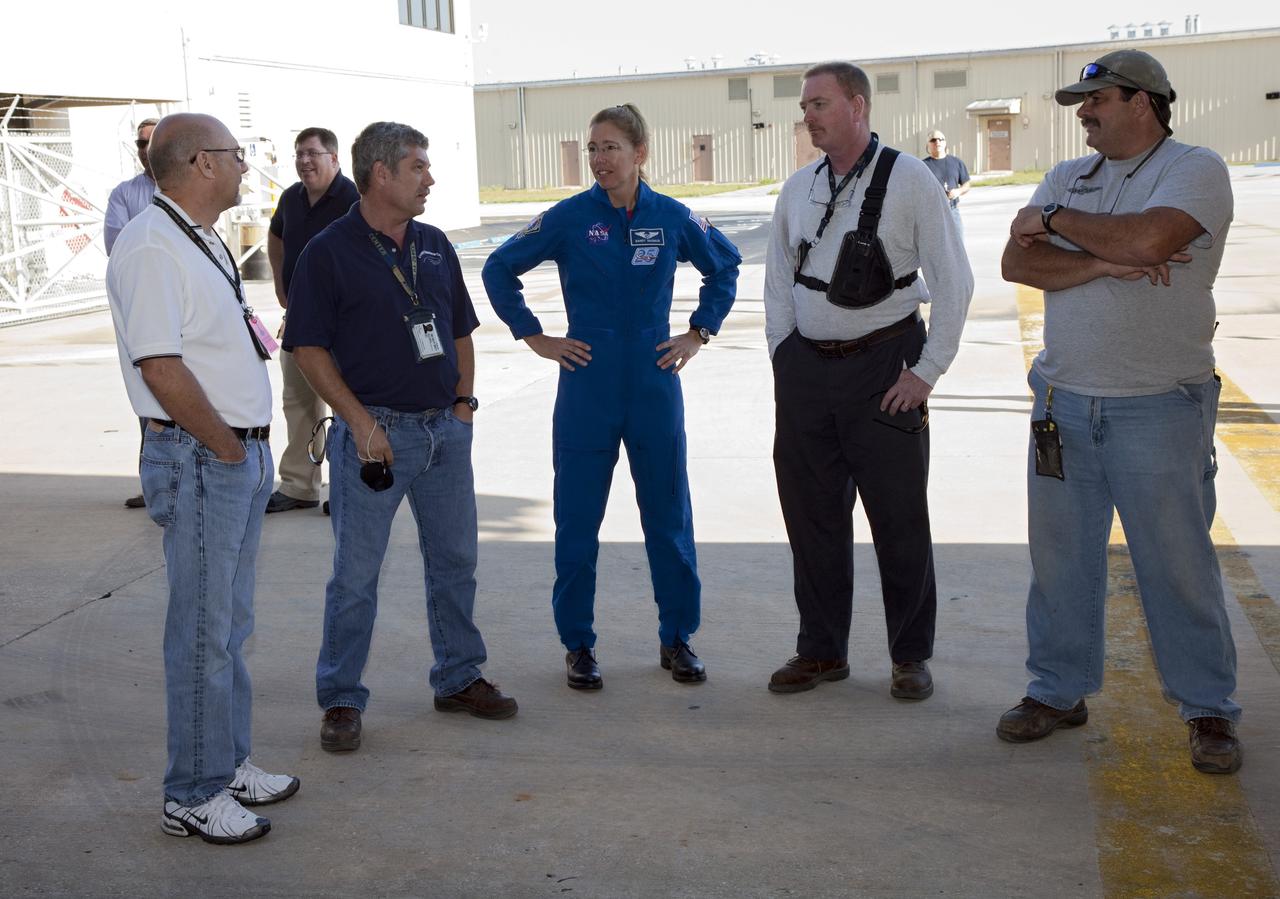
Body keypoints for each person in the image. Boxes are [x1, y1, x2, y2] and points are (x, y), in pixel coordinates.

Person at [997, 49, 1241, 774]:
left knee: (1177, 564)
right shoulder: (1071, 176)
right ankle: (1058, 690)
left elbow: (1149, 239)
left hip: (1159, 404)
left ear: (1144, 102)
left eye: (1096, 101)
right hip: (1062, 402)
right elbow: (1019, 263)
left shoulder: (1195, 168)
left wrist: (1056, 223)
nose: (1084, 114)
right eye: (1080, 103)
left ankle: (1208, 708)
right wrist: (1102, 260)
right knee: (1061, 561)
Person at [482, 103, 740, 691]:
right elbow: (499, 268)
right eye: (593, 148)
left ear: (639, 153)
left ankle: (677, 638)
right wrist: (535, 336)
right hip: (587, 387)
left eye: (611, 147)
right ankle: (577, 644)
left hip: (653, 383)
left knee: (669, 519)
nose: (599, 159)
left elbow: (724, 267)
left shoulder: (673, 217)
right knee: (577, 522)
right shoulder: (570, 218)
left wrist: (699, 331)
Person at [285, 121, 517, 753]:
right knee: (356, 576)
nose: (430, 178)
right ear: (381, 173)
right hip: (374, 440)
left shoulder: (435, 244)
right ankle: (340, 697)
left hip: (445, 430)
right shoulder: (328, 252)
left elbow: (461, 331)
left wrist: (464, 407)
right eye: (418, 167)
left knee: (455, 562)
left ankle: (459, 677)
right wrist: (360, 423)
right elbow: (307, 347)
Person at [105, 112, 299, 845]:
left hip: (232, 456)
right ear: (198, 163)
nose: (246, 165)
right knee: (200, 633)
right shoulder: (153, 244)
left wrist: (245, 448)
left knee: (229, 626)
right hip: (201, 458)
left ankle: (227, 762)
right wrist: (223, 447)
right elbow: (160, 366)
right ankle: (191, 791)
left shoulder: (197, 235)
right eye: (236, 154)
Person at [763, 62, 972, 701]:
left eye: (820, 103)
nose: (809, 116)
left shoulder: (910, 180)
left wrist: (927, 372)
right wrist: (784, 356)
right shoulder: (798, 188)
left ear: (857, 105)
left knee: (898, 518)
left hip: (887, 369)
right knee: (812, 518)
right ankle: (821, 652)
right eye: (805, 106)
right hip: (807, 372)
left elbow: (955, 281)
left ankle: (910, 657)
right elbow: (777, 278)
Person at [265, 127, 359, 514]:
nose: (304, 161)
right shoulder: (290, 198)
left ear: (334, 159)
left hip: (344, 323)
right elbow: (276, 237)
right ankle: (299, 486)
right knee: (298, 403)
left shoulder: (352, 198)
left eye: (313, 154)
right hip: (300, 320)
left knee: (346, 405)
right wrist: (279, 283)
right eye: (299, 154)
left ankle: (347, 489)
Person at [106, 117, 159, 510]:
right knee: (149, 398)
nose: (146, 149)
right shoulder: (125, 194)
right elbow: (118, 247)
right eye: (140, 143)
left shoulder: (194, 191)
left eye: (153, 141)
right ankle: (155, 482)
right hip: (143, 313)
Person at [921, 129, 970, 234]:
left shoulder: (956, 162)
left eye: (940, 139)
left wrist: (958, 191)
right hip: (931, 213)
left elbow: (966, 184)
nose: (937, 142)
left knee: (958, 246)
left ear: (945, 142)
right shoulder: (922, 166)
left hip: (953, 211)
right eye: (933, 140)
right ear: (928, 145)